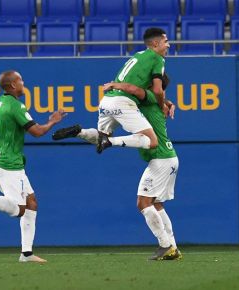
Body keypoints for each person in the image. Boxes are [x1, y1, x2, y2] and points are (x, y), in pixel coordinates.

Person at [53, 74, 181, 261]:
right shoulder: (156, 101)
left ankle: (165, 245)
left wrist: (115, 85)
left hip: (161, 159)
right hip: (167, 158)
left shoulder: (149, 98)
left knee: (143, 203)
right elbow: (156, 96)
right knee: (156, 204)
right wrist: (168, 102)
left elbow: (134, 90)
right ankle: (173, 247)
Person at [0, 70, 66, 263]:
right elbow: (37, 132)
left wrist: (9, 129)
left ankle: (26, 254)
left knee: (32, 203)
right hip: (8, 165)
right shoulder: (16, 106)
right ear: (13, 85)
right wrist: (53, 121)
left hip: (0, 160)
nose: (23, 83)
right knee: (19, 210)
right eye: (21, 80)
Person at [52, 28, 170, 154]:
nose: (168, 45)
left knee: (102, 136)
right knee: (152, 141)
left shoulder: (138, 55)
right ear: (156, 44)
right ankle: (110, 142)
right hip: (123, 101)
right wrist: (162, 105)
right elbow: (157, 90)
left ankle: (80, 132)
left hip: (107, 100)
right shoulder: (157, 58)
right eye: (166, 41)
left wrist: (167, 102)